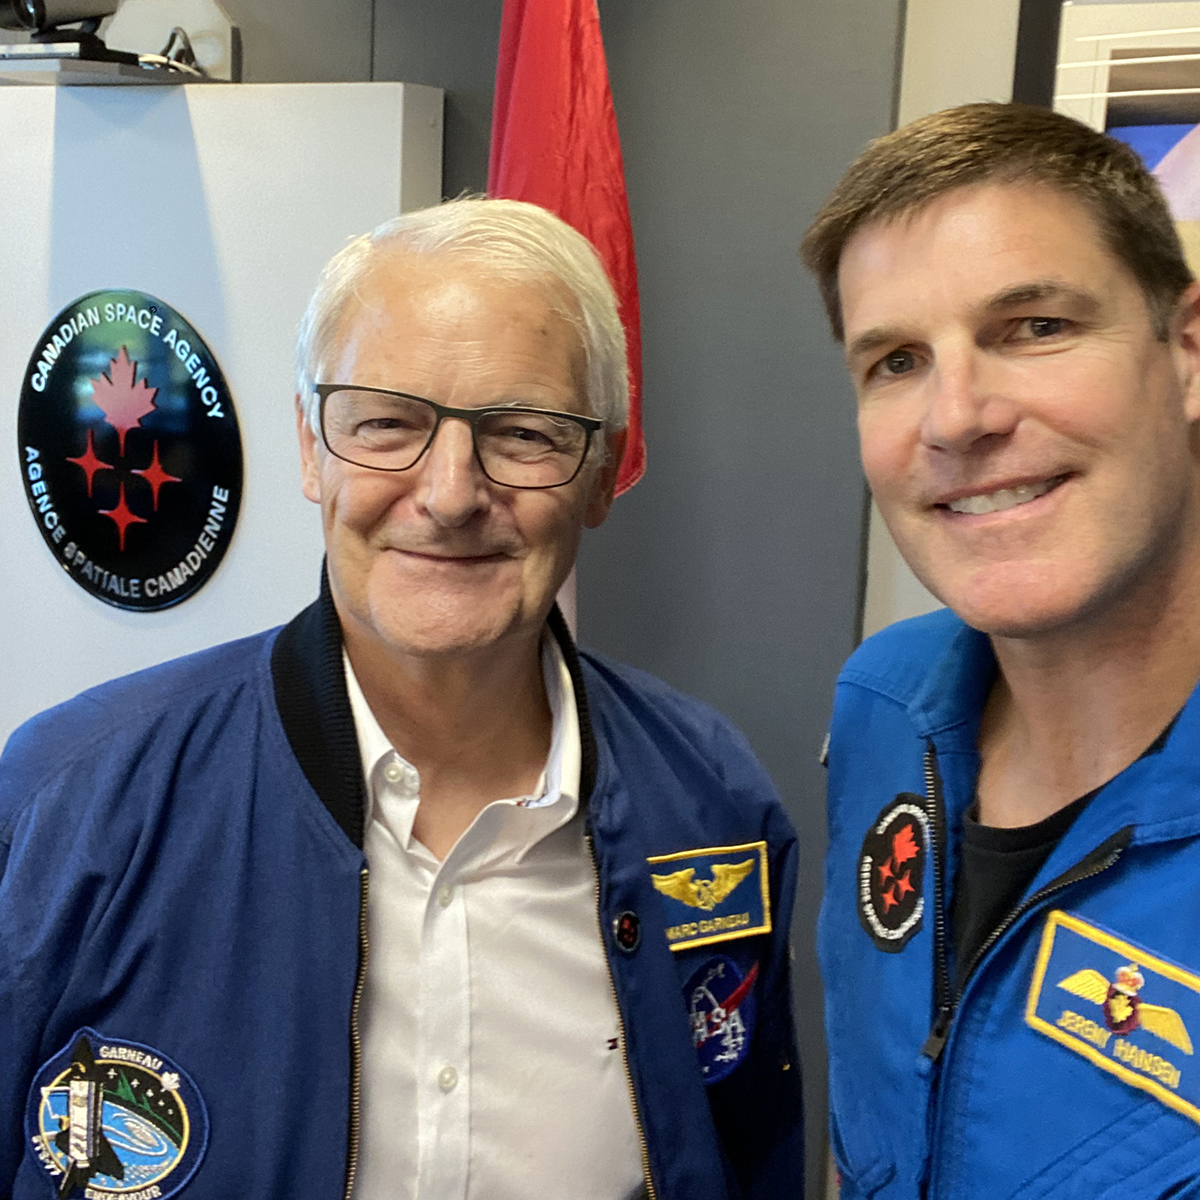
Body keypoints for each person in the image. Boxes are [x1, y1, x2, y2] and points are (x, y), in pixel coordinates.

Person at [0, 198, 803, 1200]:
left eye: (523, 433)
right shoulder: (66, 807)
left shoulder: (712, 806)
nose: (452, 493)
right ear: (309, 448)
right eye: (388, 423)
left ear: (603, 472)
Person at [801, 103, 1200, 1199]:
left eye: (1034, 327)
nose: (958, 416)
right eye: (894, 360)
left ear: (1187, 351)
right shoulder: (884, 711)